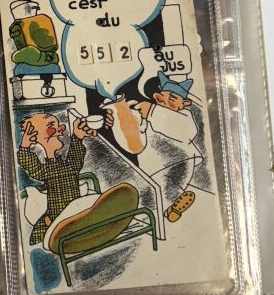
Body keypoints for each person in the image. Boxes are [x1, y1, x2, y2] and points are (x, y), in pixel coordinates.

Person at [17, 109, 137, 253]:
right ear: (35, 138)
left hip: (79, 211)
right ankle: (96, 220)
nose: (61, 129)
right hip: (62, 217)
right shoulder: (45, 171)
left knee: (87, 204)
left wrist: (77, 137)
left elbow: (75, 162)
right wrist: (24, 147)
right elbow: (34, 168)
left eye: (58, 125)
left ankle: (100, 219)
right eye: (51, 126)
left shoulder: (67, 165)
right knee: (76, 211)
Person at [130, 72, 202, 222]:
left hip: (181, 160)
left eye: (172, 99)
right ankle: (171, 209)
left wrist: (151, 111)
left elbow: (187, 131)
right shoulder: (151, 116)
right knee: (160, 191)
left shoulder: (184, 116)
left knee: (173, 184)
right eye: (163, 98)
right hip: (156, 164)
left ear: (184, 103)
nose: (165, 102)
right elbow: (139, 135)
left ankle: (170, 204)